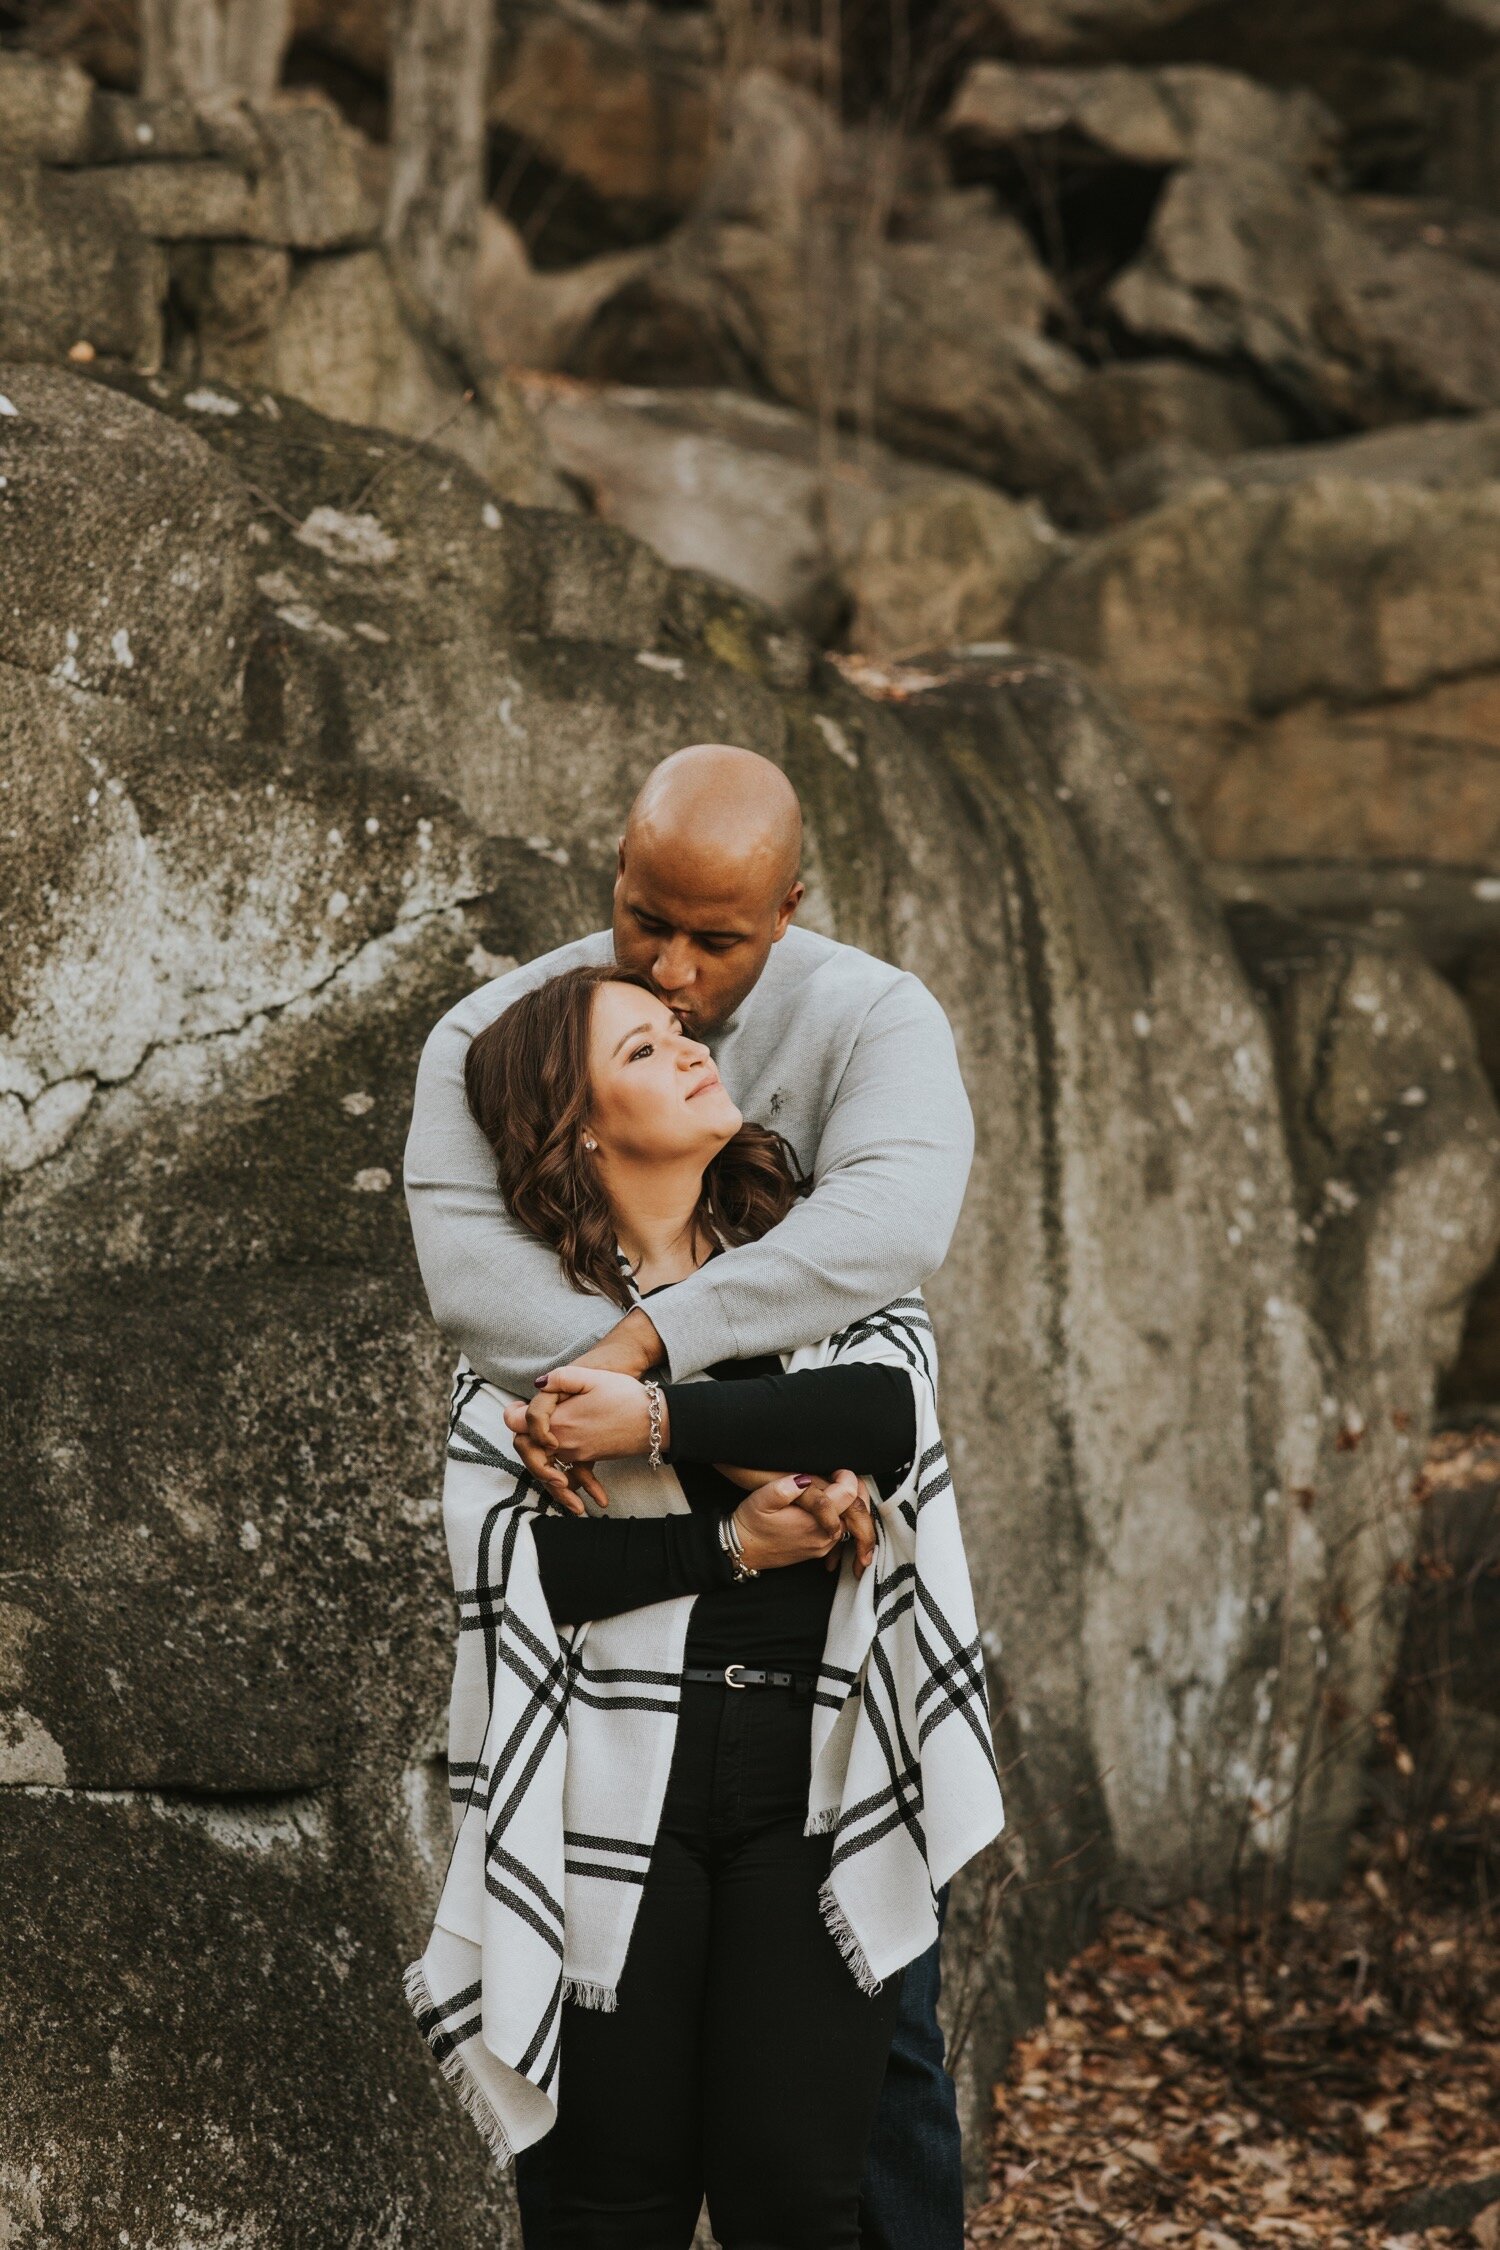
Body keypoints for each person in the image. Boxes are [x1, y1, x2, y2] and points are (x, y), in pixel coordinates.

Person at [404, 744, 980, 2248]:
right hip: (616, 1748)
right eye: (639, 917)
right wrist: (753, 1491)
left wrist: (655, 1379)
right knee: (609, 2178)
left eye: (713, 941)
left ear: (791, 907)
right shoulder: (507, 1029)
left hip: (824, 1728)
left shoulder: (872, 1020)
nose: (668, 971)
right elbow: (482, 1305)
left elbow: (891, 1253)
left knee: (856, 2118)